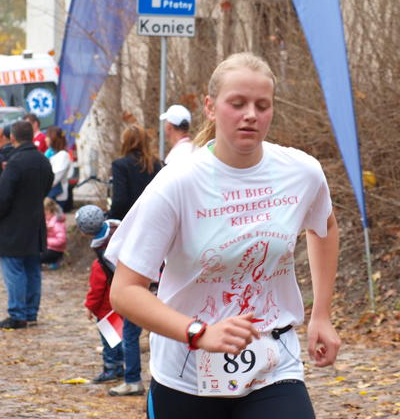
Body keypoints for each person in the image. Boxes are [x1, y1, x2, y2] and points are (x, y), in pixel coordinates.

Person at [106, 52, 340, 418]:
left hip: (273, 365)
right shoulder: (177, 183)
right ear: (210, 107)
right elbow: (124, 291)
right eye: (238, 103)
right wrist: (199, 332)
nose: (251, 114)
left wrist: (321, 314)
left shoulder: (301, 172)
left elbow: (324, 226)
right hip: (186, 372)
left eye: (262, 105)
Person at [107, 124, 162, 397]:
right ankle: (165, 375)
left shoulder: (121, 165)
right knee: (163, 308)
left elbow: (119, 201)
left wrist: (109, 220)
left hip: (133, 239)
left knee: (131, 311)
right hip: (161, 240)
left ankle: (132, 378)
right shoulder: (159, 165)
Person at [0, 120, 54, 330]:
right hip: (34, 222)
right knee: (32, 269)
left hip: (12, 225)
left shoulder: (15, 162)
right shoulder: (43, 160)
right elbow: (48, 185)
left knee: (14, 270)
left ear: (12, 137)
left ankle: (18, 314)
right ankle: (30, 312)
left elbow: (3, 195)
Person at [75, 205, 127, 384]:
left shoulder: (101, 264)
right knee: (119, 338)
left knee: (109, 341)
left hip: (106, 309)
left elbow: (96, 291)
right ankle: (120, 365)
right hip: (120, 303)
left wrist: (89, 307)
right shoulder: (117, 233)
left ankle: (111, 368)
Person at [45, 126, 72, 211]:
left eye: (47, 137)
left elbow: (55, 178)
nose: (45, 139)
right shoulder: (49, 153)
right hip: (48, 194)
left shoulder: (63, 155)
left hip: (56, 196)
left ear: (53, 139)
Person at [40, 197, 66, 270]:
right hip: (47, 248)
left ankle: (55, 261)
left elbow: (61, 240)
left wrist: (46, 241)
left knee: (36, 256)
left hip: (55, 250)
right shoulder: (47, 221)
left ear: (49, 210)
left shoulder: (57, 223)